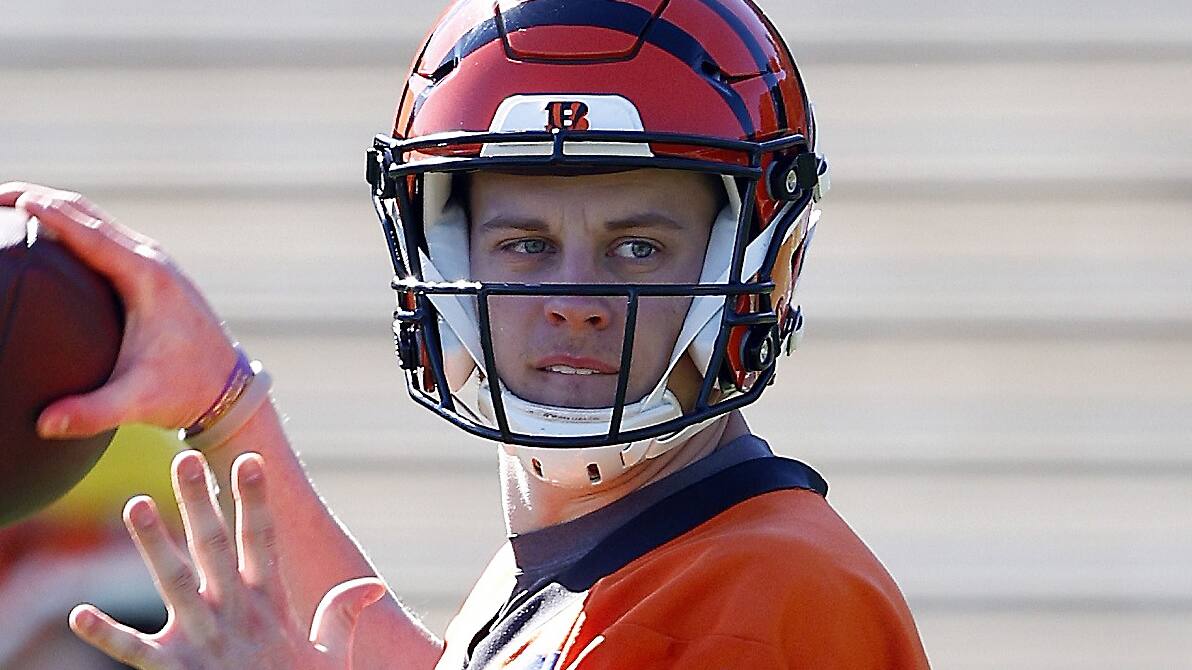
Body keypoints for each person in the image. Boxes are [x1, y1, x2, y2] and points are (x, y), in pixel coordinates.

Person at [2, 0, 931, 667]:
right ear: (444, 255)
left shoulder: (767, 599)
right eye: (526, 244)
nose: (573, 299)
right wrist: (222, 398)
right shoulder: (605, 554)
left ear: (755, 264)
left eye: (638, 247)